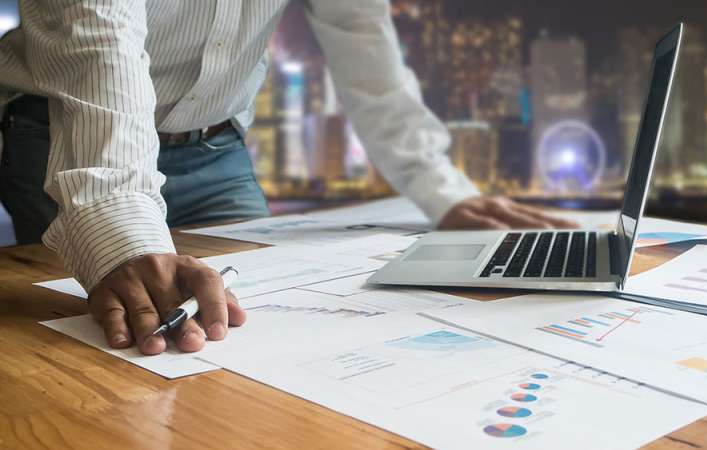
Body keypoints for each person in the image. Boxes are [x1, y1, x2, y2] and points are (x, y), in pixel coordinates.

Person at [0, 1, 574, 356]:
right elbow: (101, 46)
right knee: (111, 339)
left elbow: (365, 44)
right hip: (64, 133)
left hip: (215, 146)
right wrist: (120, 222)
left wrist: (441, 190)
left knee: (246, 326)